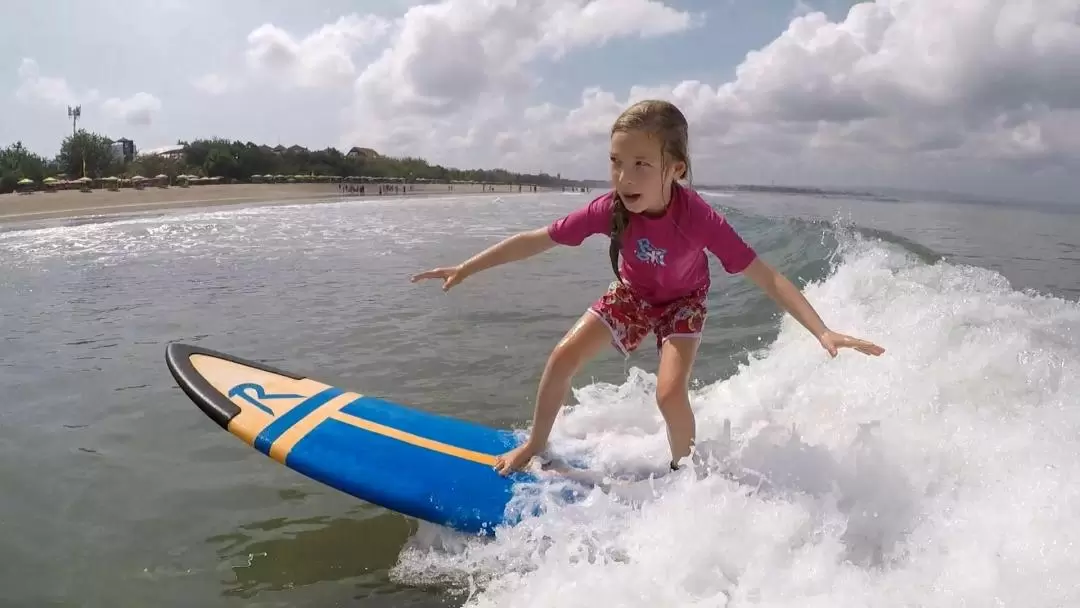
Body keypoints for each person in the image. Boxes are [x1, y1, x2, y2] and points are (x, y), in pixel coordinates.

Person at [410, 99, 885, 476]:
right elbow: (537, 240)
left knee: (669, 394)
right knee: (560, 359)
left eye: (640, 164)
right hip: (633, 295)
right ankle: (536, 443)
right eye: (616, 162)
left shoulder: (700, 219)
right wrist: (466, 268)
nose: (623, 177)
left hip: (684, 303)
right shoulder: (607, 208)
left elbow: (767, 275)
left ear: (675, 168)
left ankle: (686, 471)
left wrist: (822, 331)